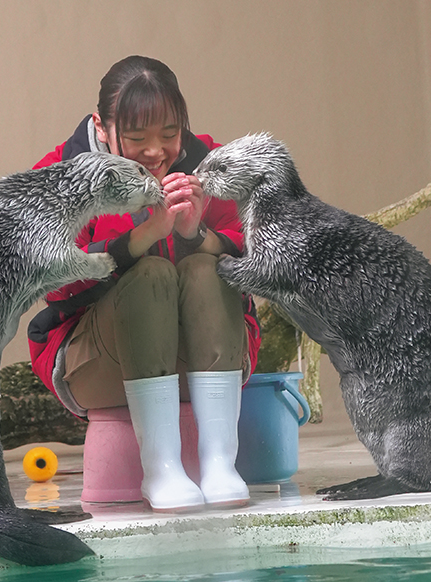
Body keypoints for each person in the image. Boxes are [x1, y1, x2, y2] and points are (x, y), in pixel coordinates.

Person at [27, 55, 261, 512]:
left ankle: (218, 465)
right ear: (102, 126)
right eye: (136, 138)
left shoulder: (212, 164)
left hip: (205, 357)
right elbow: (50, 278)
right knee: (151, 273)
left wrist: (199, 235)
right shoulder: (59, 174)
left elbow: (261, 250)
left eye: (169, 135)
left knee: (203, 269)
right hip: (99, 363)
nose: (156, 151)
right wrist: (139, 239)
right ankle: (162, 470)